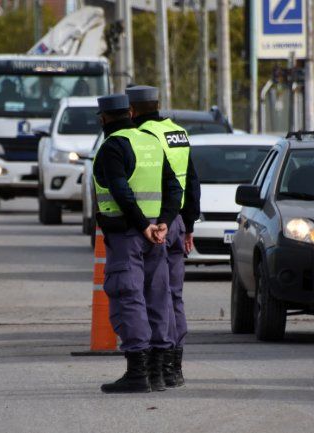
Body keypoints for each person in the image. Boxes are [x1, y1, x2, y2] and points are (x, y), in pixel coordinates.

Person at [93, 94, 183, 393]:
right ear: (129, 113)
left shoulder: (113, 146)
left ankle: (137, 374)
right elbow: (174, 187)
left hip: (128, 235)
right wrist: (164, 224)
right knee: (158, 296)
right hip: (156, 236)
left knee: (128, 295)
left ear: (104, 118)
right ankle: (157, 373)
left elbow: (121, 191)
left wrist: (144, 226)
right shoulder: (151, 142)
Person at [127, 85, 201, 388]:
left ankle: (158, 366)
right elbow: (191, 180)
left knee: (154, 296)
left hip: (154, 224)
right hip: (179, 222)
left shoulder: (143, 137)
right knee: (175, 295)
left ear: (132, 111)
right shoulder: (178, 133)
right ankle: (175, 368)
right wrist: (190, 224)